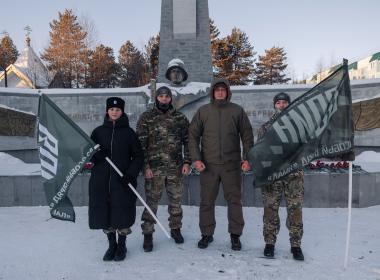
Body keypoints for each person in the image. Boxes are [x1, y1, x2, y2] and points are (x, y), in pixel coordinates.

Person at [188, 78, 253, 251]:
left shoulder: (237, 111)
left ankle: (235, 236)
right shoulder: (203, 111)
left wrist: (248, 158)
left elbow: (247, 136)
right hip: (208, 166)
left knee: (234, 201)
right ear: (212, 92)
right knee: (207, 201)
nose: (220, 92)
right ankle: (207, 234)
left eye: (223, 90)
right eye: (217, 90)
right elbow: (193, 136)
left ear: (228, 92)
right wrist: (196, 159)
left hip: (231, 166)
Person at [88, 97, 144, 262]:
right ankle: (111, 245)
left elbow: (138, 156)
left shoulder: (129, 133)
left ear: (122, 112)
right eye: (112, 109)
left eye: (118, 110)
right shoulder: (98, 132)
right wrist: (97, 155)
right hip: (101, 181)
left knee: (122, 212)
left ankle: (122, 245)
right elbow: (87, 153)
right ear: (107, 111)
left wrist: (131, 174)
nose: (114, 112)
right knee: (105, 213)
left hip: (122, 181)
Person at [137, 86, 191, 252]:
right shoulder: (147, 117)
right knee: (151, 203)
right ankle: (148, 233)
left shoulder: (180, 118)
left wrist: (187, 162)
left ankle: (176, 229)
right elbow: (140, 145)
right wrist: (145, 166)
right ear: (157, 98)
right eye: (161, 96)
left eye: (167, 96)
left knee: (176, 202)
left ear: (170, 98)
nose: (164, 99)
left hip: (175, 168)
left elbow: (188, 141)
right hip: (154, 170)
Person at [257, 92, 305, 261]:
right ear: (275, 105)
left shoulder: (300, 126)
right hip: (273, 176)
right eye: (279, 102)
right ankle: (270, 243)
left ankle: (296, 245)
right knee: (270, 210)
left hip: (293, 175)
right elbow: (261, 151)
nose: (282, 105)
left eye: (285, 102)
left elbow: (307, 148)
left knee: (295, 211)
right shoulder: (266, 127)